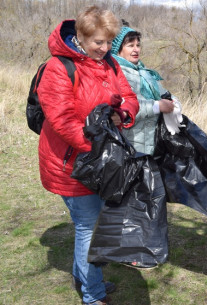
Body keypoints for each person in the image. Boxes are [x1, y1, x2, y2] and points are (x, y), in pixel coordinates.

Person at [37, 6, 139, 305]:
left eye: (108, 42)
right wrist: (99, 141)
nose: (105, 48)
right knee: (89, 229)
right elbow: (63, 121)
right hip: (71, 163)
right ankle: (93, 295)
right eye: (98, 42)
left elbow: (128, 98)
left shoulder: (109, 64)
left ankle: (86, 279)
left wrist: (123, 115)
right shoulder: (58, 67)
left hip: (101, 160)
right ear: (80, 36)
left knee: (91, 226)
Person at [111, 23, 181, 156]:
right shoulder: (116, 73)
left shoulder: (143, 73)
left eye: (138, 45)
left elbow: (163, 93)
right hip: (129, 144)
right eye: (130, 46)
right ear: (118, 49)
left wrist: (173, 101)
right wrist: (157, 106)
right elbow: (125, 109)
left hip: (151, 142)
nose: (136, 49)